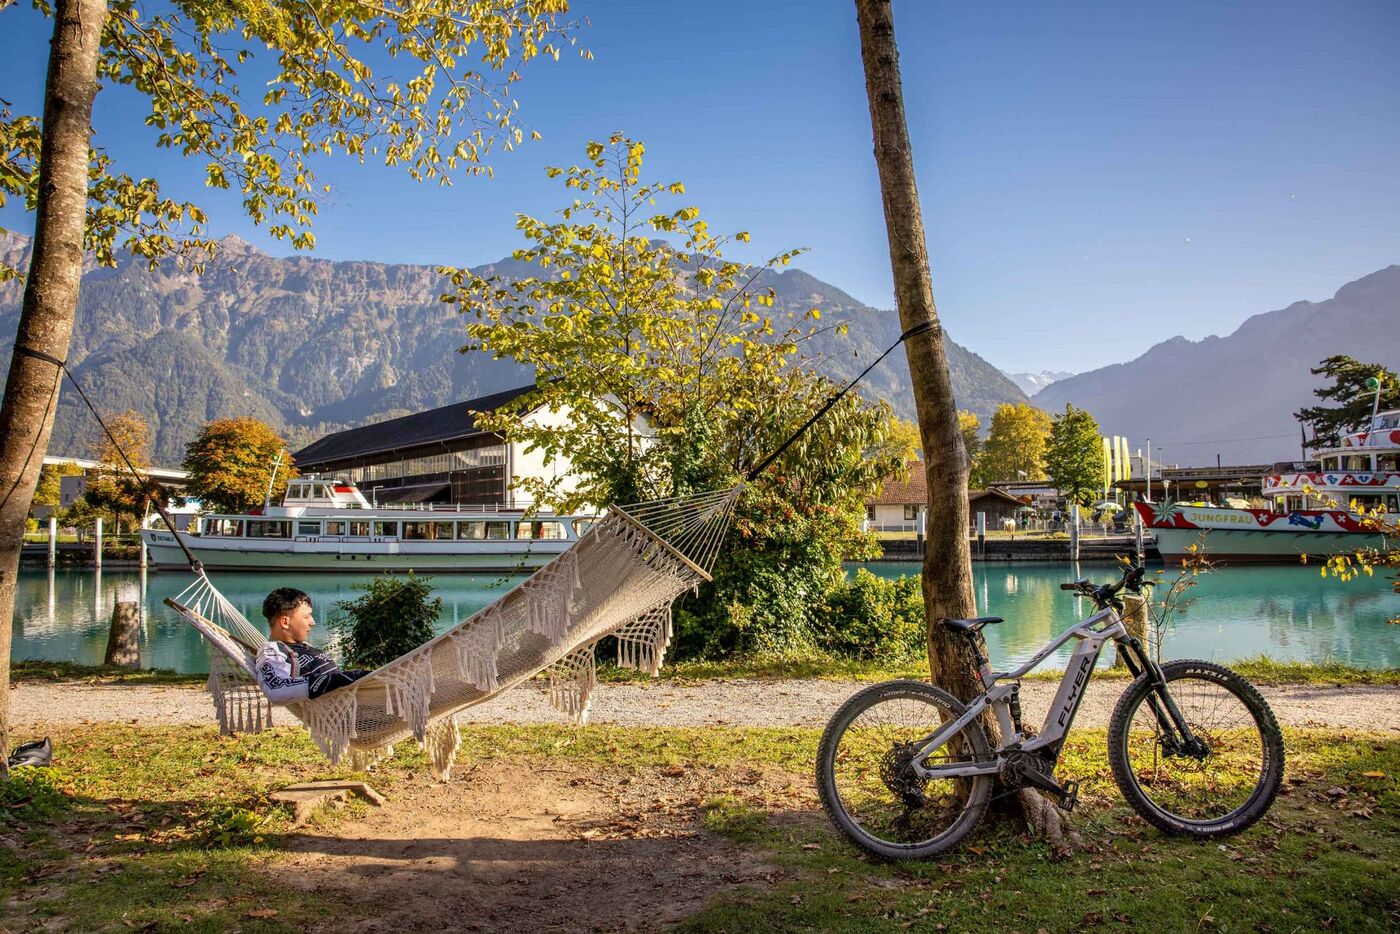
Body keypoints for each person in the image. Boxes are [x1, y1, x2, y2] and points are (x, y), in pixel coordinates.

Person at [255, 587, 369, 703]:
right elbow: (276, 690)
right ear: (285, 622)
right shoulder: (272, 650)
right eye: (306, 616)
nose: (313, 622)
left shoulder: (304, 646)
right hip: (346, 710)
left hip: (359, 703)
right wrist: (343, 678)